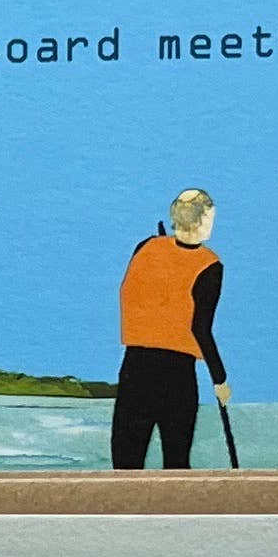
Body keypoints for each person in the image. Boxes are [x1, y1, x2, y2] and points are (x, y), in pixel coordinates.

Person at [111, 187, 228, 469]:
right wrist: (220, 379)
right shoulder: (210, 266)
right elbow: (200, 328)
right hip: (177, 375)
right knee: (176, 464)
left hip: (135, 368)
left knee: (126, 463)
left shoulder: (146, 247)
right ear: (200, 220)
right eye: (210, 218)